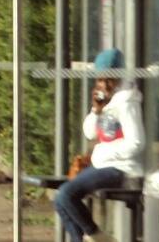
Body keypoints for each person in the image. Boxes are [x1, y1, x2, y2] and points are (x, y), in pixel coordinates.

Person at [55, 48, 145, 242]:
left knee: (66, 194)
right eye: (100, 79)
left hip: (121, 168)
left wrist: (104, 152)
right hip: (102, 166)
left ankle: (98, 237)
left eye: (109, 79)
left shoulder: (127, 102)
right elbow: (89, 133)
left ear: (119, 77)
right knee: (60, 200)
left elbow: (137, 142)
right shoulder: (105, 102)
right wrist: (96, 110)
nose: (104, 85)